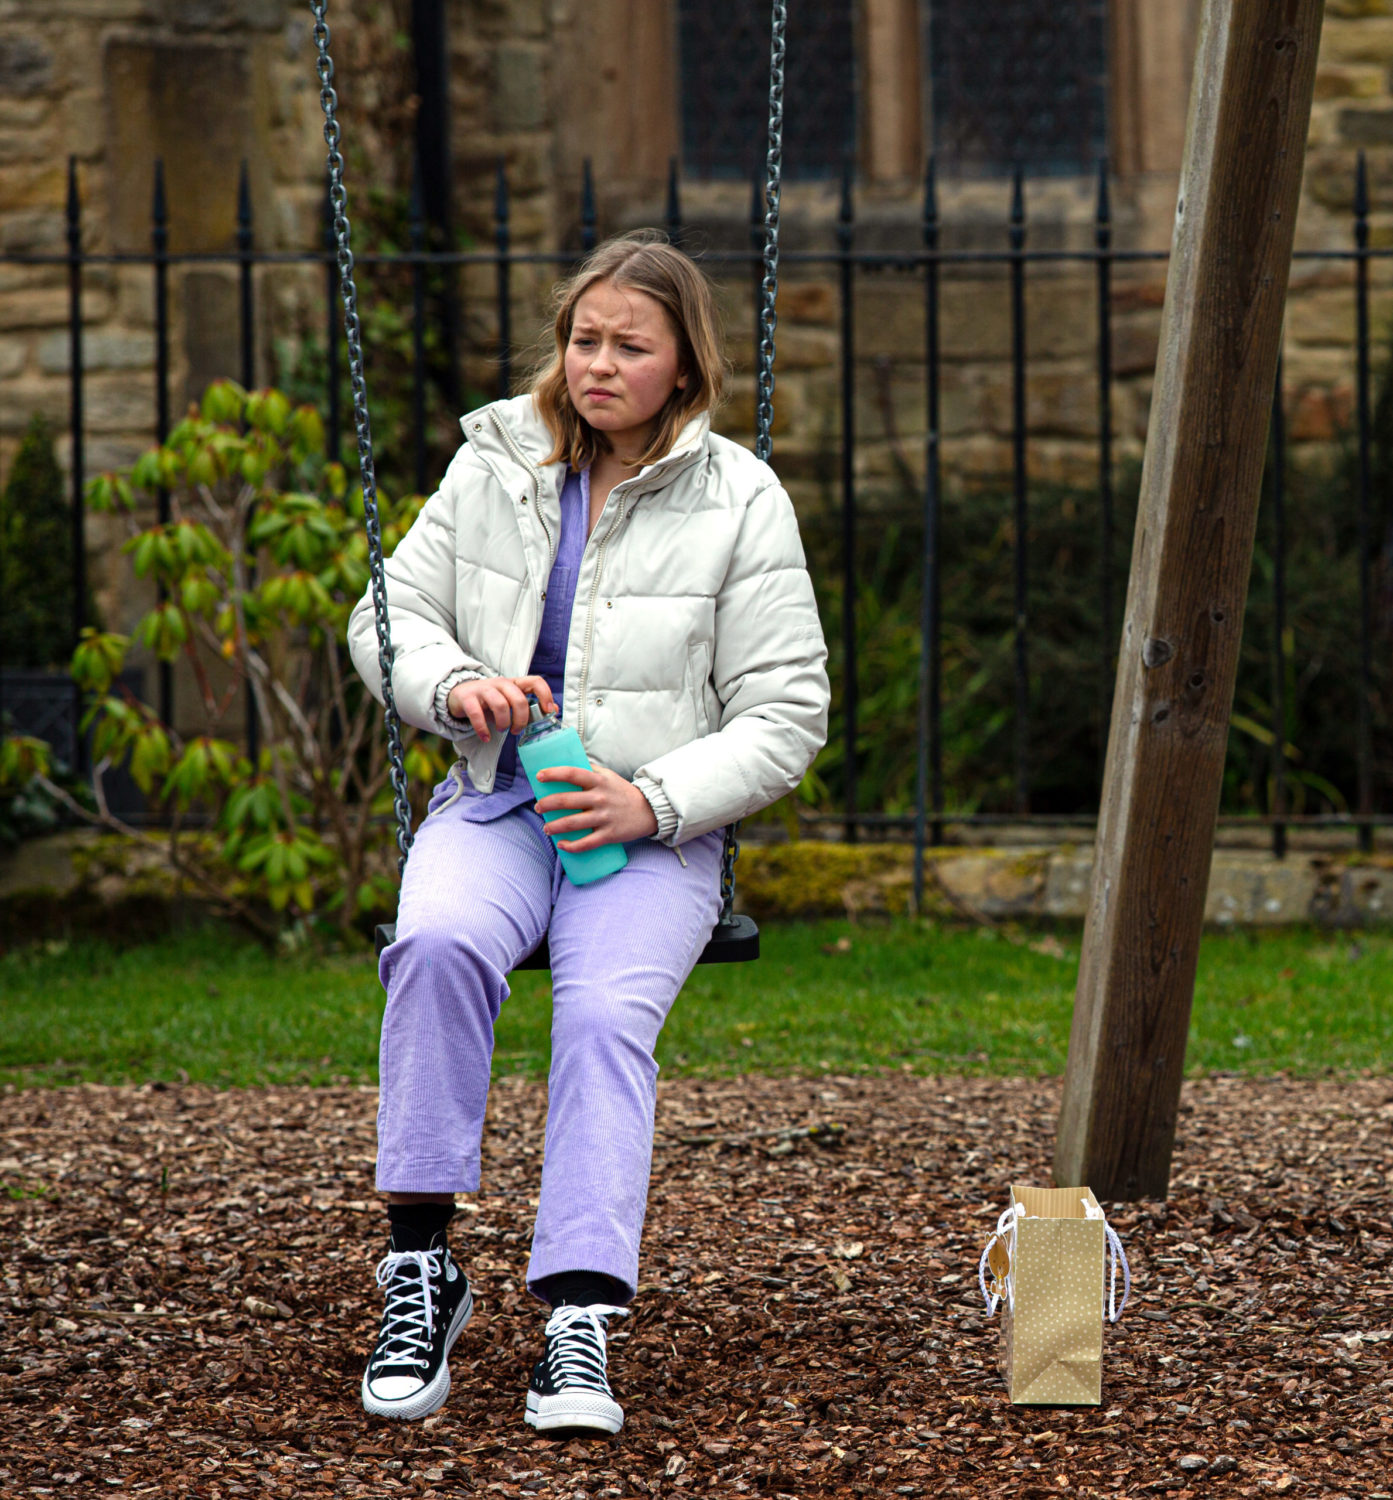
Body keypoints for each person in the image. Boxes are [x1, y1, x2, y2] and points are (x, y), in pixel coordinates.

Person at [346, 231, 829, 1434]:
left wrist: (654, 800)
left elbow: (787, 711)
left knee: (605, 1014)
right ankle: (421, 1270)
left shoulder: (738, 498)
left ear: (684, 367)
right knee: (439, 946)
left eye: (630, 345)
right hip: (499, 799)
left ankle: (577, 1324)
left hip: (650, 836)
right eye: (584, 339)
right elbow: (390, 614)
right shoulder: (495, 460)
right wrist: (456, 686)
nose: (598, 363)